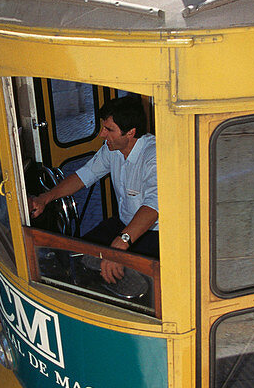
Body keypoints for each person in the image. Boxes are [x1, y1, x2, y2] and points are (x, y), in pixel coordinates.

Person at [28, 96, 158, 283]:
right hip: (123, 223)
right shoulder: (112, 148)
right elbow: (85, 175)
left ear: (130, 132)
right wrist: (45, 198)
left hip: (153, 232)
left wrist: (121, 244)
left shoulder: (153, 155)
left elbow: (153, 207)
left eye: (109, 130)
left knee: (120, 277)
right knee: (79, 255)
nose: (101, 135)